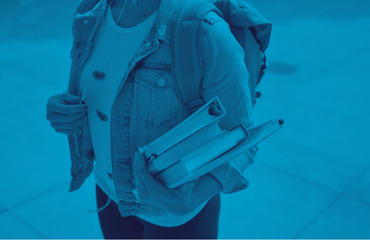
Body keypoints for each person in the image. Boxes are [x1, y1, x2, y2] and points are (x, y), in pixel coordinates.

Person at [46, 0, 257, 238]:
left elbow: (241, 137)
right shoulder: (91, 11)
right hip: (108, 192)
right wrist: (64, 112)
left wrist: (193, 198)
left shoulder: (206, 31)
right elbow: (91, 96)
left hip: (176, 218)